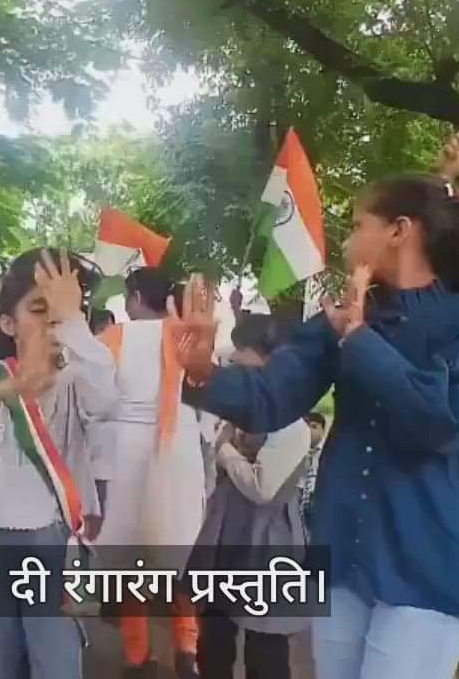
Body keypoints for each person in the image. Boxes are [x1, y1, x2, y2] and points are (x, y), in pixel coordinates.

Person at [174, 173, 459, 679]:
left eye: (359, 224)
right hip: (343, 549)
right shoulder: (342, 319)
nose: (347, 239)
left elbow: (442, 422)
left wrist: (359, 339)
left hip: (426, 555)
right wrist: (204, 371)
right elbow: (271, 398)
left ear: (400, 230)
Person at [0, 248, 115, 679]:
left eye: (64, 313)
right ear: (7, 323)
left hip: (59, 541)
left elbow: (108, 397)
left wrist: (73, 322)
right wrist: (11, 389)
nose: (52, 322)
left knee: (56, 661)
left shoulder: (78, 376)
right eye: (40, 310)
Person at [97, 266, 205, 679]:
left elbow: (95, 400)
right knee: (178, 550)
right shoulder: (191, 336)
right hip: (182, 446)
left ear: (136, 297)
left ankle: (139, 656)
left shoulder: (114, 338)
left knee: (130, 559)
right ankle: (187, 647)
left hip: (125, 450)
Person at [191, 313, 311, 679]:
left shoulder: (292, 426)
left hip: (268, 544)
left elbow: (264, 489)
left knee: (266, 649)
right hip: (224, 534)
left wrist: (224, 449)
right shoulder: (242, 409)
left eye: (243, 351)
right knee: (213, 637)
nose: (235, 358)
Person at [299, 411, 328, 529]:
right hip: (297, 499)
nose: (310, 431)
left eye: (314, 427)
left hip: (317, 500)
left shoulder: (327, 453)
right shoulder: (295, 451)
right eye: (307, 427)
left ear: (323, 430)